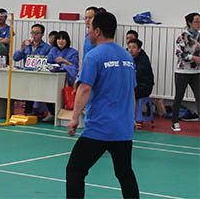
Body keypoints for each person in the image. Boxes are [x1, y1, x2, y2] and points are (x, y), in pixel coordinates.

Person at [66, 11, 139, 198]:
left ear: (97, 31)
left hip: (100, 127)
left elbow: (84, 88)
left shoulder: (94, 56)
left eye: (90, 27)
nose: (88, 31)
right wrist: (131, 118)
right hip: (123, 128)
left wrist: (74, 117)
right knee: (125, 173)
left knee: (75, 169)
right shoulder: (127, 56)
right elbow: (131, 91)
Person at [13, 23, 51, 116]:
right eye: (32, 33)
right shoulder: (27, 46)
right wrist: (21, 49)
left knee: (38, 95)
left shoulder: (47, 48)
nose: (34, 35)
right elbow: (15, 58)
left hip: (40, 76)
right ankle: (28, 112)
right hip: (27, 75)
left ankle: (43, 111)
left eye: (37, 33)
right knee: (28, 93)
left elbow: (49, 62)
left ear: (42, 34)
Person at [170, 12, 200, 132]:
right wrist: (194, 58)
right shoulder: (182, 36)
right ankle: (174, 122)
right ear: (189, 22)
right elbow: (179, 53)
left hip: (196, 72)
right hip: (182, 71)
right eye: (196, 21)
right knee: (179, 96)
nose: (198, 24)